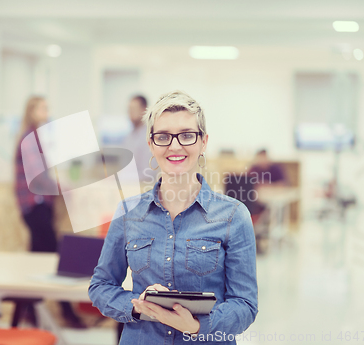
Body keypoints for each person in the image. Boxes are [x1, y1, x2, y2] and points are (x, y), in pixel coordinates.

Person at [89, 91, 258, 344]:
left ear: (203, 142)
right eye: (163, 137)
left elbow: (245, 304)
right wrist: (138, 305)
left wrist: (198, 326)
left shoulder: (234, 215)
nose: (175, 146)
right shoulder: (129, 212)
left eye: (187, 135)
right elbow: (100, 286)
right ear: (151, 144)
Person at [14, 96, 85, 328]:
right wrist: (64, 188)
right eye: (43, 108)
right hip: (35, 207)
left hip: (39, 206)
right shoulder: (30, 140)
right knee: (55, 259)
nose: (47, 112)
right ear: (32, 111)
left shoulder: (36, 139)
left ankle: (28, 312)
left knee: (41, 258)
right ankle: (64, 313)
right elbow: (39, 178)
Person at [122, 95, 158, 185]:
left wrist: (121, 178)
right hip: (128, 186)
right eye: (129, 110)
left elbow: (148, 174)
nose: (130, 113)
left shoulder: (150, 136)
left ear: (144, 110)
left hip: (144, 188)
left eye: (133, 109)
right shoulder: (129, 136)